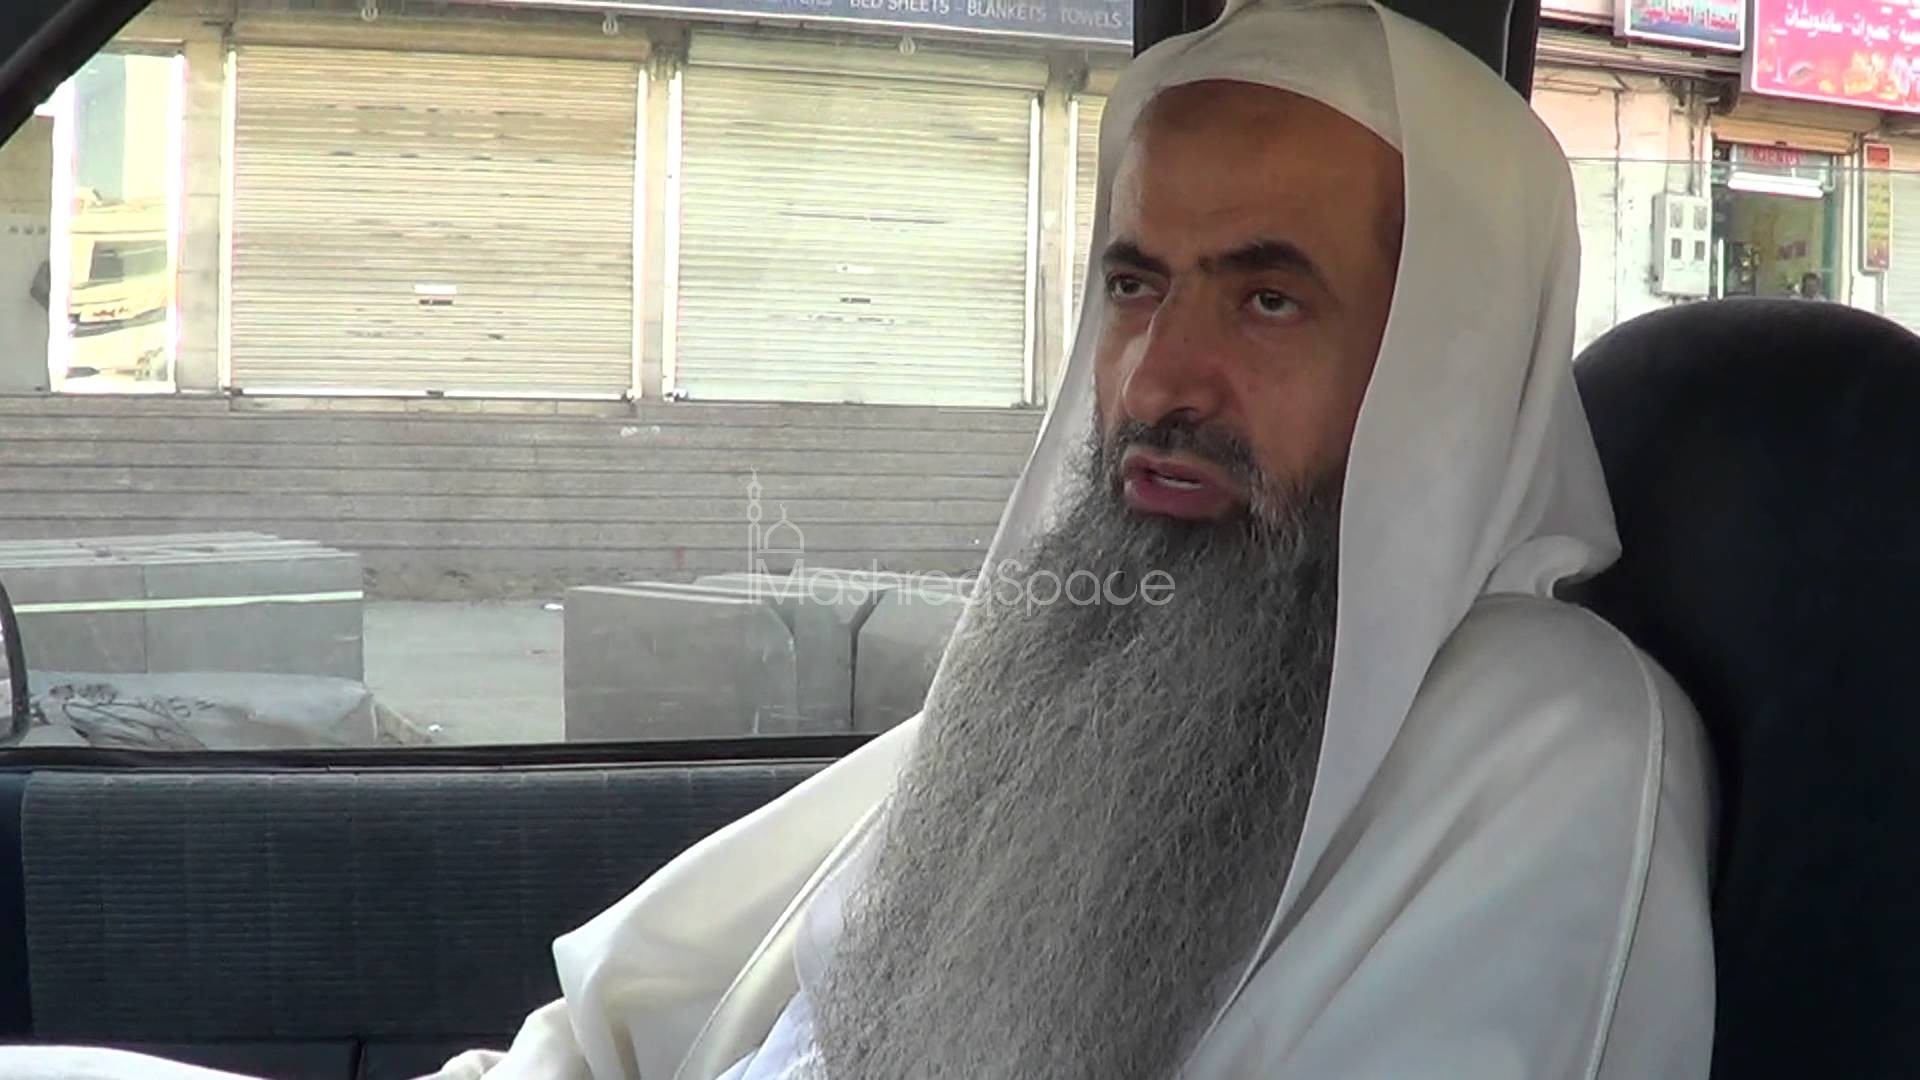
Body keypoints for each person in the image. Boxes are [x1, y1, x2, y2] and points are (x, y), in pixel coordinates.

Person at [0, 1, 1712, 1078]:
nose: (1154, 382)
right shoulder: (1112, 665)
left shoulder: (1548, 741)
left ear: (1446, 359)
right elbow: (624, 1024)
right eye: (1135, 286)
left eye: (1268, 297)